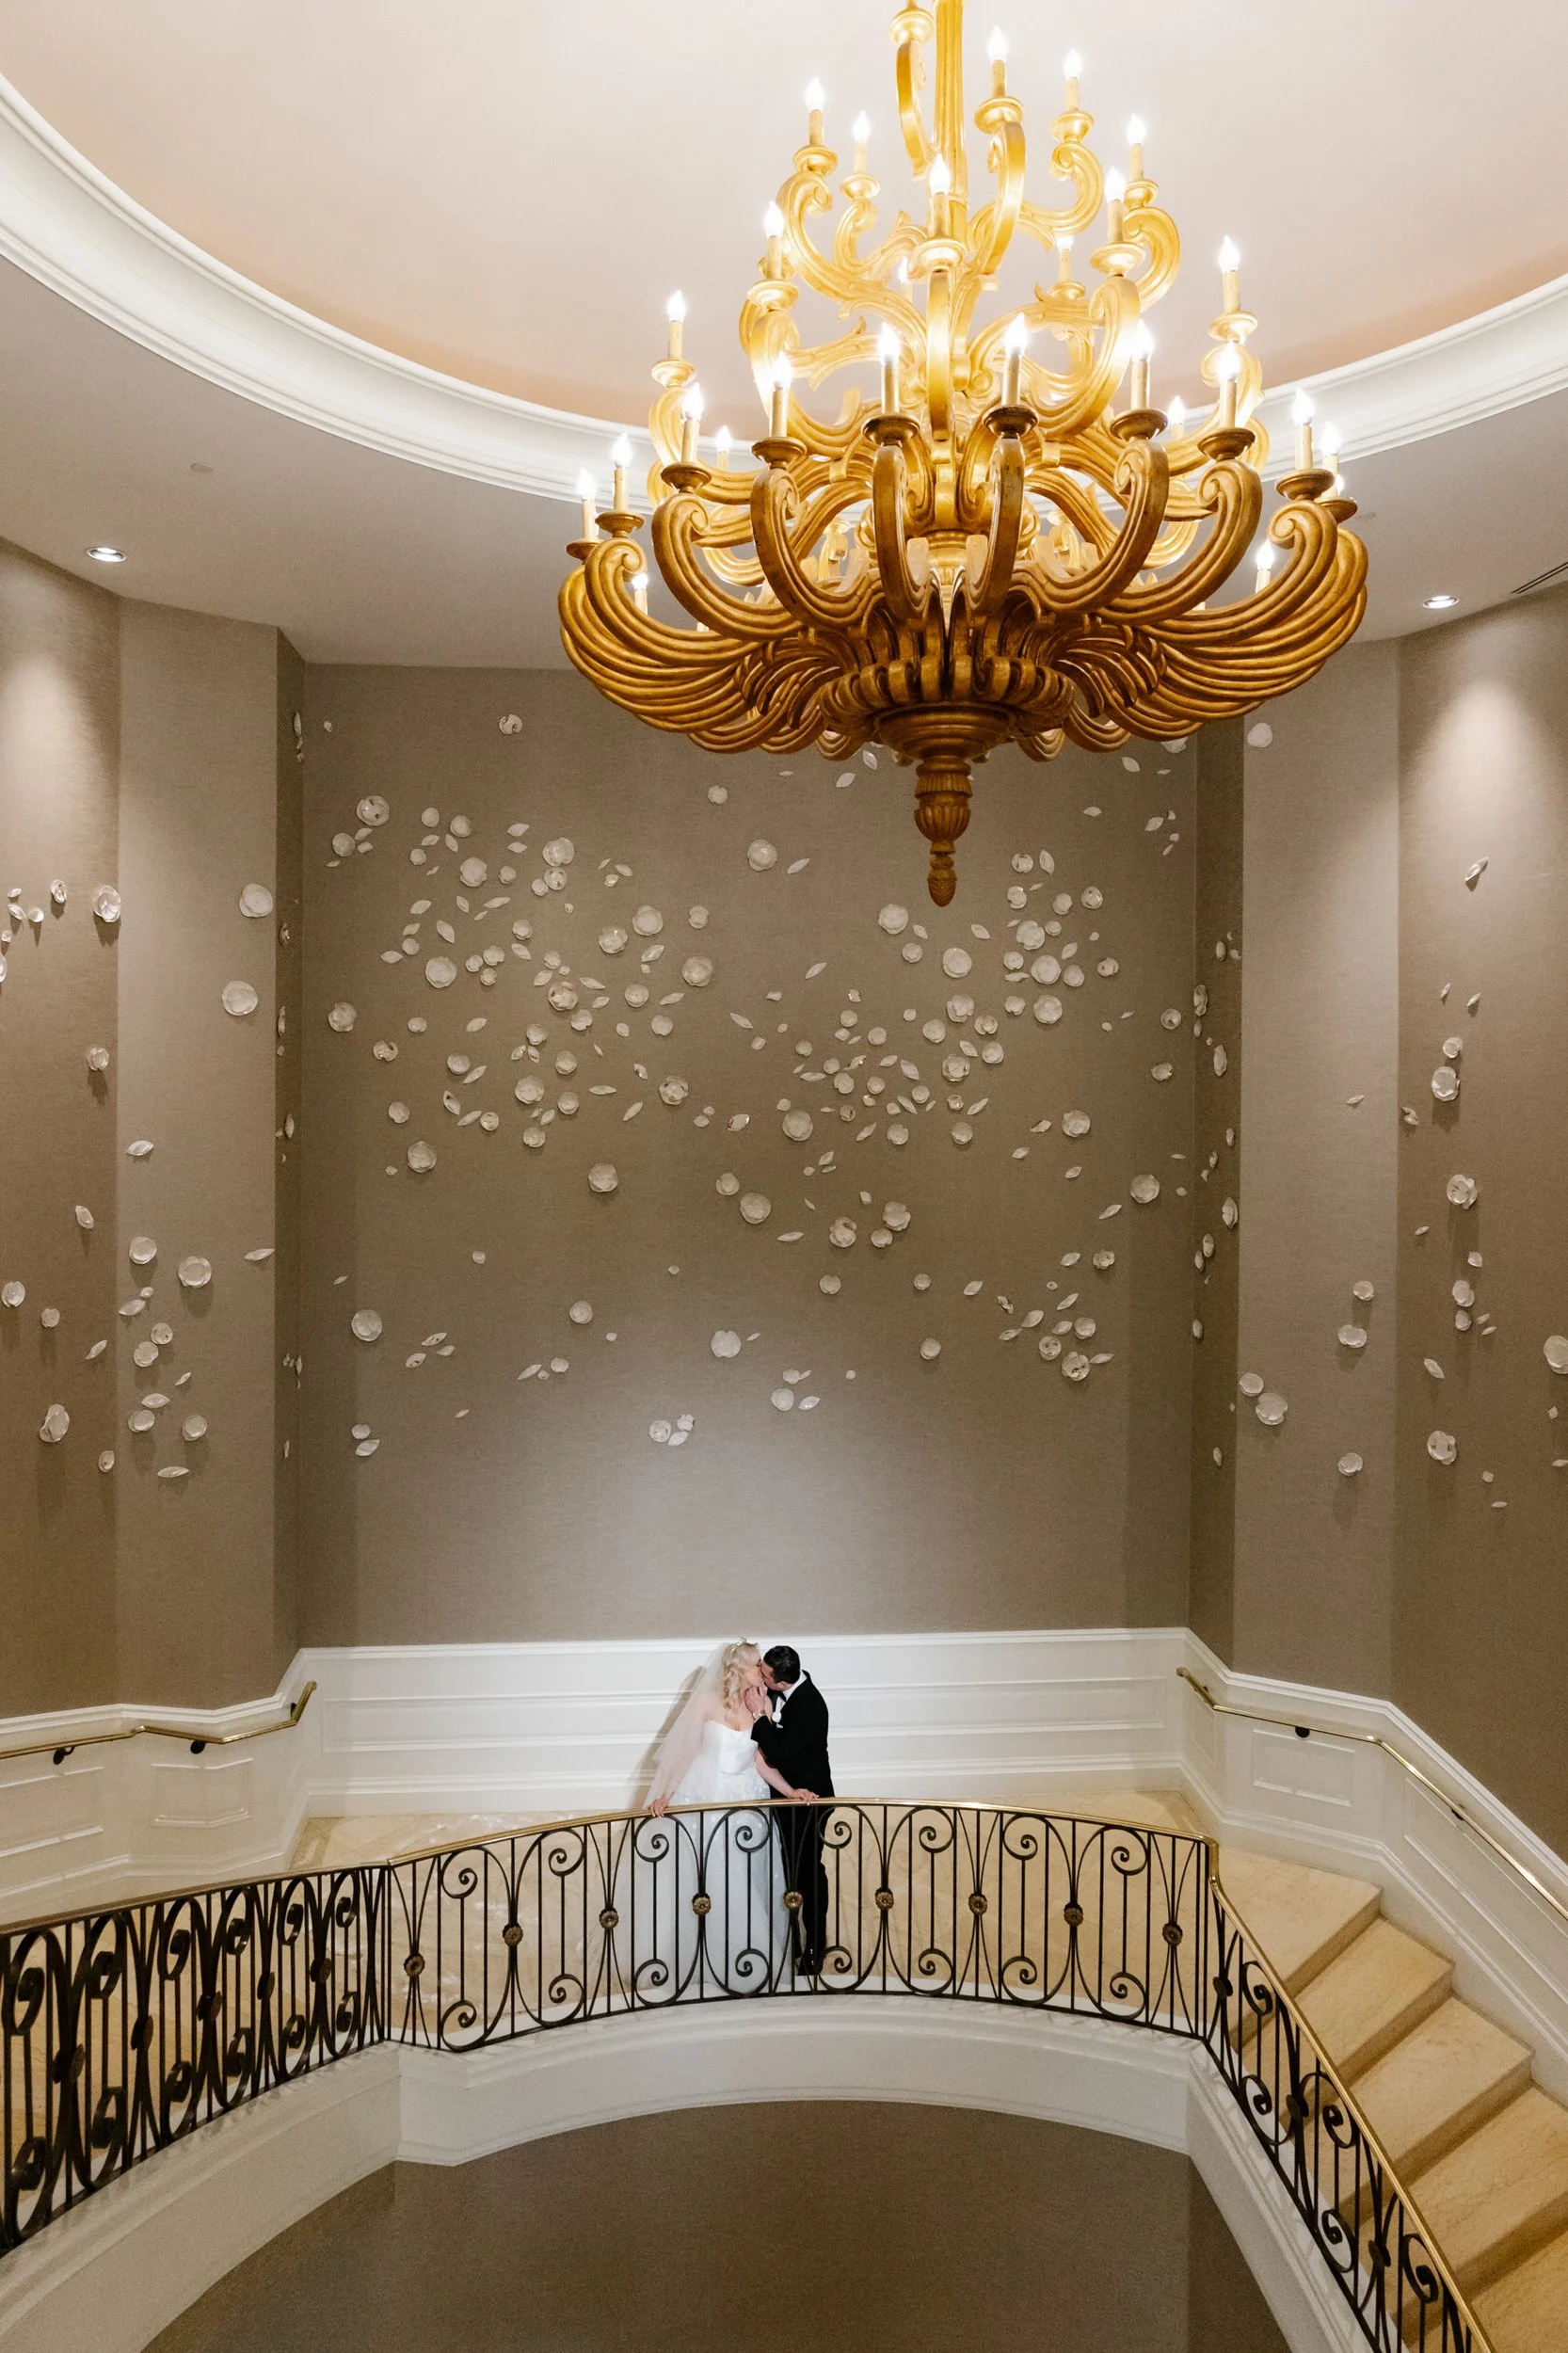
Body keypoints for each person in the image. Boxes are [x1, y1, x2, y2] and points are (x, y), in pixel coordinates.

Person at [641, 1641, 808, 1993]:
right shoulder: (706, 1702)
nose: (763, 1670)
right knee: (704, 1879)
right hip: (706, 1794)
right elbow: (686, 1752)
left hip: (747, 1799)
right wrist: (666, 1794)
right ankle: (695, 1961)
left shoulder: (762, 1703)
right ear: (738, 1669)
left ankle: (745, 1962)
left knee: (742, 1881)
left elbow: (761, 1761)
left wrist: (790, 1790)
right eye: (756, 1665)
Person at [751, 1644, 836, 1977]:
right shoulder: (773, 1690)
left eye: (765, 1675)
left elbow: (780, 1753)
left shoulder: (811, 1705)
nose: (760, 1677)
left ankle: (816, 1943)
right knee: (783, 1870)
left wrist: (759, 1716)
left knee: (808, 1872)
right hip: (780, 1797)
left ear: (783, 1682)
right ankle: (790, 1940)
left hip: (809, 1801)